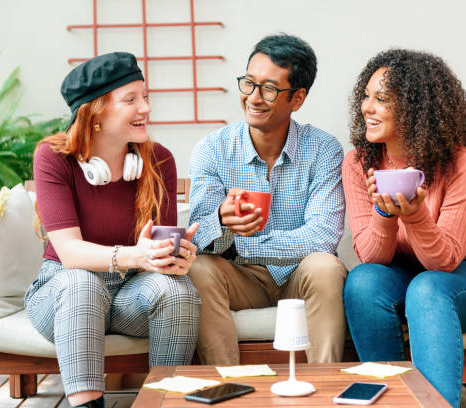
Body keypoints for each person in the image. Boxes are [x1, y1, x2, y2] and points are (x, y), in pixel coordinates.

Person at [24, 52, 200, 408]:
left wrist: (175, 259)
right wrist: (135, 254)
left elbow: (160, 247)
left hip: (128, 296)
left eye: (145, 97)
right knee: (82, 283)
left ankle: (166, 402)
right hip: (63, 293)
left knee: (177, 289)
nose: (146, 108)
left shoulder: (160, 159)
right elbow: (71, 254)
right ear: (96, 112)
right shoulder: (53, 157)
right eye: (131, 100)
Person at [342, 49, 466, 408]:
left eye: (381, 99)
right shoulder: (358, 162)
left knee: (428, 287)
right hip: (404, 273)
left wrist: (416, 216)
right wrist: (385, 213)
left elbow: (446, 260)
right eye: (366, 96)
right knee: (362, 281)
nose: (366, 108)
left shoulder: (463, 162)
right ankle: (390, 400)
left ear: (417, 109)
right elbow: (372, 256)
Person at [188, 34, 347, 365]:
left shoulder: (323, 149)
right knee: (199, 268)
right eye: (248, 83)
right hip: (240, 278)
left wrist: (243, 248)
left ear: (297, 99)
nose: (254, 98)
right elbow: (198, 235)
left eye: (269, 89)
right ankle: (227, 389)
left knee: (325, 267)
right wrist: (221, 220)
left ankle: (324, 387)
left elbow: (323, 236)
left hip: (298, 275)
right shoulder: (212, 149)